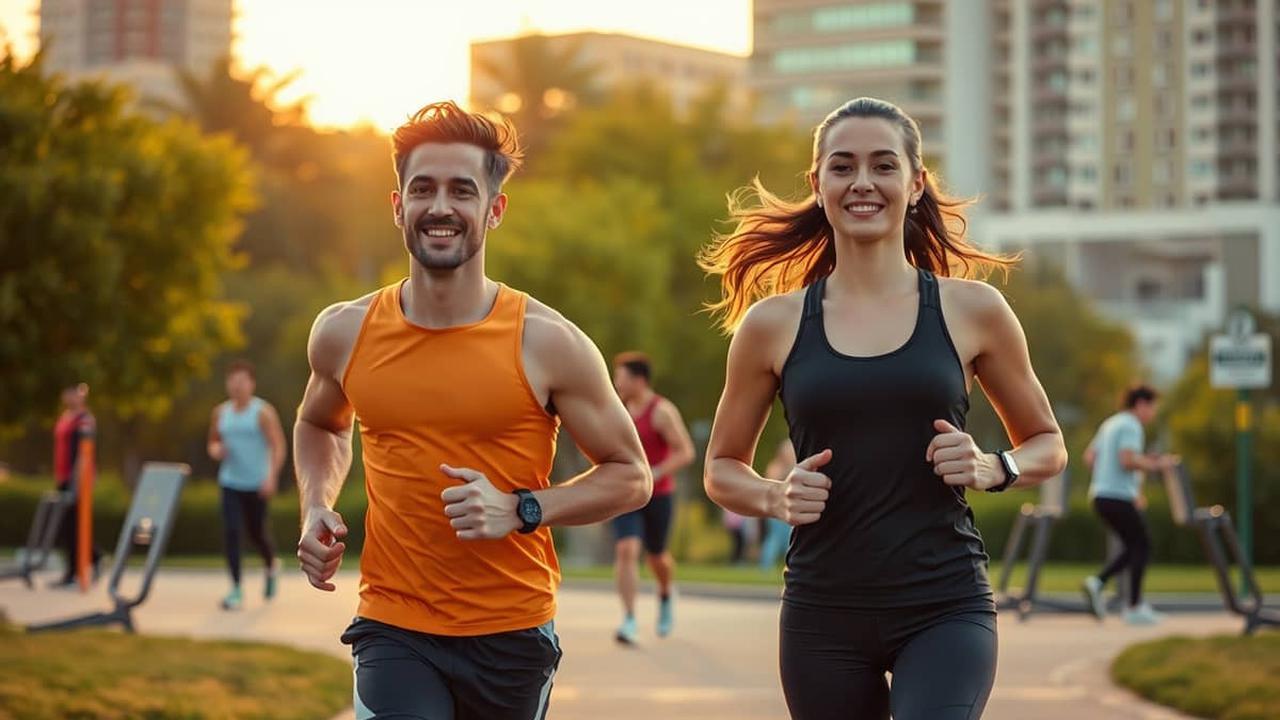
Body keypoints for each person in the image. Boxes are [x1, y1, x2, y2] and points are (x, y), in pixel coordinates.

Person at [698, 97, 1068, 720]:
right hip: (823, 614)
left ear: (916, 183)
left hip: (944, 603)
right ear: (818, 185)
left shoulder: (972, 310)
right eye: (842, 167)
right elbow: (721, 467)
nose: (862, 182)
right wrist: (773, 497)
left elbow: (1048, 443)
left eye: (883, 165)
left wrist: (992, 467)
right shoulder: (773, 326)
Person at [293, 101, 650, 720]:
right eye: (423, 188)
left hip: (511, 632)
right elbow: (321, 422)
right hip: (393, 625)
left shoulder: (547, 341)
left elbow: (631, 475)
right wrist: (316, 504)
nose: (440, 207)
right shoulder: (343, 332)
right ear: (397, 204)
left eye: (462, 190)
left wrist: (521, 509)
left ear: (494, 209)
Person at [610, 351, 695, 643]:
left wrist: (656, 472)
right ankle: (629, 620)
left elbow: (686, 451)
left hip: (658, 495)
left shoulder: (661, 411)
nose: (615, 383)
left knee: (657, 557)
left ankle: (665, 593)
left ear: (639, 379)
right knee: (626, 550)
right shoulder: (617, 410)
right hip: (627, 494)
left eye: (620, 377)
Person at [1081, 384, 1177, 626]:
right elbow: (1127, 460)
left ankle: (1098, 582)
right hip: (1116, 496)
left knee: (1134, 546)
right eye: (1152, 407)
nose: (1153, 413)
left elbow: (1089, 458)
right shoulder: (1132, 425)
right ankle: (1133, 607)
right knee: (1142, 545)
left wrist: (1111, 478)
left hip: (1101, 495)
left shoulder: (1110, 423)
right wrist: (1157, 465)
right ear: (1141, 404)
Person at [207, 360, 286, 610]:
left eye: (242, 381)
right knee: (231, 531)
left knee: (257, 533)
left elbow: (278, 445)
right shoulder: (221, 413)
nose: (237, 386)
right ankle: (236, 589)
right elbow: (212, 442)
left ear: (251, 384)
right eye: (232, 380)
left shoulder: (262, 412)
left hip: (257, 483)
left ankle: (271, 565)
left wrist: (271, 476)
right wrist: (216, 450)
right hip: (230, 481)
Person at [51, 382, 101, 587]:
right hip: (63, 477)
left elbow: (84, 452)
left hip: (78, 478)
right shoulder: (64, 418)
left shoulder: (85, 420)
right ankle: (87, 561)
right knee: (66, 525)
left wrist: (78, 479)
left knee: (76, 525)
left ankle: (80, 568)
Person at [759, 438, 796, 570]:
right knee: (775, 539)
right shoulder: (777, 468)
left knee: (785, 540)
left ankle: (789, 565)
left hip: (786, 509)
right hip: (776, 511)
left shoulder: (788, 467)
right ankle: (766, 566)